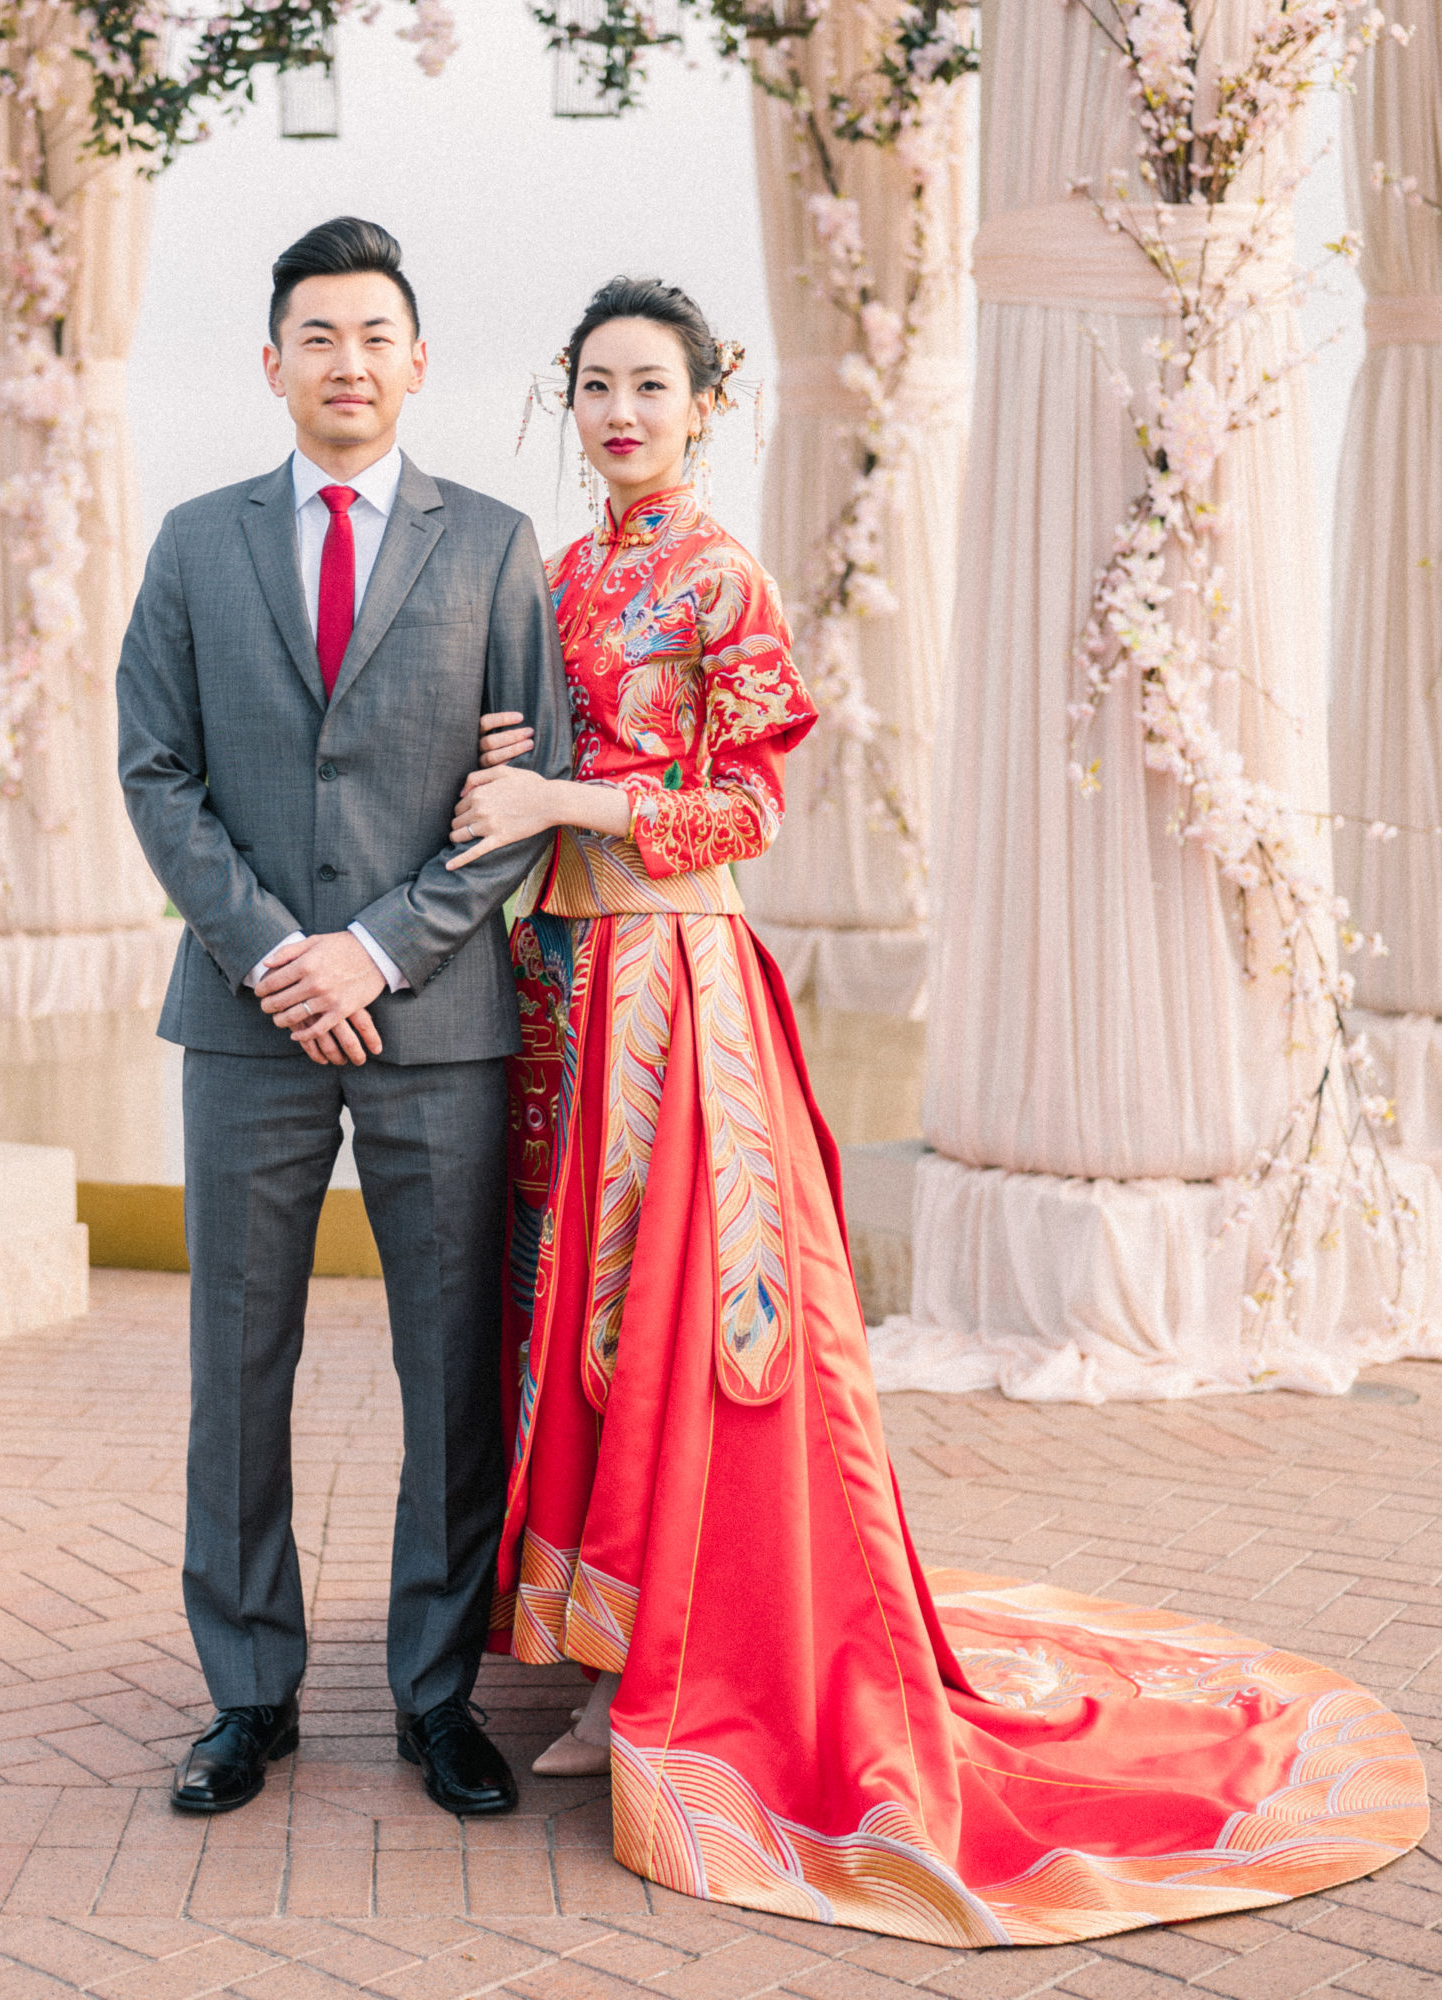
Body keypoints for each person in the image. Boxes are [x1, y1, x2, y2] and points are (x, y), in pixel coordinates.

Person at [448, 276, 1427, 1943]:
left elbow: (749, 796)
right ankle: (599, 1638)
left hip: (675, 992)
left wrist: (566, 795)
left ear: (705, 404)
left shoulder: (716, 572)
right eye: (596, 385)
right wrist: (518, 765)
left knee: (693, 1325)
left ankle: (685, 1658)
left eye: (651, 387)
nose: (621, 413)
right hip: (560, 985)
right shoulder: (562, 572)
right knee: (572, 1308)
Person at [117, 216, 573, 1824]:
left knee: (450, 1367)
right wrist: (273, 954)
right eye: (318, 335)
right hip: (247, 1025)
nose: (348, 362)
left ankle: (437, 1697)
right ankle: (249, 1697)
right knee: (236, 1365)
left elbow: (519, 803)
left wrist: (376, 950)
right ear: (274, 363)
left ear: (418, 360)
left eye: (375, 333)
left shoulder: (496, 545)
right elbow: (155, 773)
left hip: (437, 1020)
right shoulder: (193, 542)